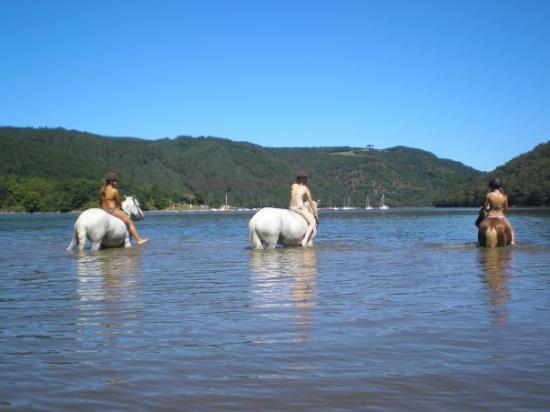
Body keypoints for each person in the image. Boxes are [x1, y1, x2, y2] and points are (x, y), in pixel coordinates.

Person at [100, 172, 148, 245]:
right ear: (111, 181)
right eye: (116, 181)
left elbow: (101, 201)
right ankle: (139, 240)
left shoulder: (102, 190)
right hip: (112, 210)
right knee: (129, 222)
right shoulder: (115, 191)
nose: (117, 182)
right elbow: (118, 203)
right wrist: (120, 208)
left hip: (103, 210)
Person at [480, 177, 516, 245]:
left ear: (492, 186)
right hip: (501, 216)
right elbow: (506, 209)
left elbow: (485, 207)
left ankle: (481, 241)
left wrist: (486, 209)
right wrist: (503, 214)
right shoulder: (504, 196)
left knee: (481, 227)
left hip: (490, 216)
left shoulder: (488, 195)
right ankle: (512, 242)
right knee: (511, 229)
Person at [289, 171, 319, 247]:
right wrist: (315, 213)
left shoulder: (293, 185)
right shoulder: (305, 189)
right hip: (299, 208)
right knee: (312, 222)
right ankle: (304, 240)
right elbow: (311, 203)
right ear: (304, 179)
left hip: (291, 207)